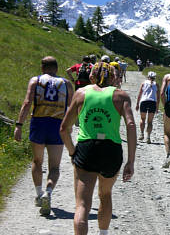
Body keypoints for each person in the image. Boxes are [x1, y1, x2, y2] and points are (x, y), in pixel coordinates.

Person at [59, 62, 137, 235]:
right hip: (111, 150)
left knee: (82, 204)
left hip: (86, 150)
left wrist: (73, 152)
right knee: (105, 195)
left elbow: (64, 129)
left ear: (91, 76)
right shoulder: (121, 96)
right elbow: (131, 125)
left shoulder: (81, 93)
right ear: (113, 77)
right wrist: (131, 161)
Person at [14, 56, 73, 216]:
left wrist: (19, 125)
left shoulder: (35, 80)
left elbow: (27, 103)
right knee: (55, 167)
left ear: (42, 68)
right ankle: (48, 191)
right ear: (57, 68)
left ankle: (39, 194)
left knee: (37, 161)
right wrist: (69, 127)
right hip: (57, 125)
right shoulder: (66, 84)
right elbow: (72, 107)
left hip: (38, 123)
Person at [136, 71, 160, 143]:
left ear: (148, 76)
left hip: (144, 101)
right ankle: (148, 137)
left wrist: (137, 104)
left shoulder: (143, 83)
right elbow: (158, 97)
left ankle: (142, 134)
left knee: (142, 119)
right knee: (150, 121)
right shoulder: (157, 85)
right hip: (152, 102)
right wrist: (157, 107)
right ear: (154, 77)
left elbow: (140, 94)